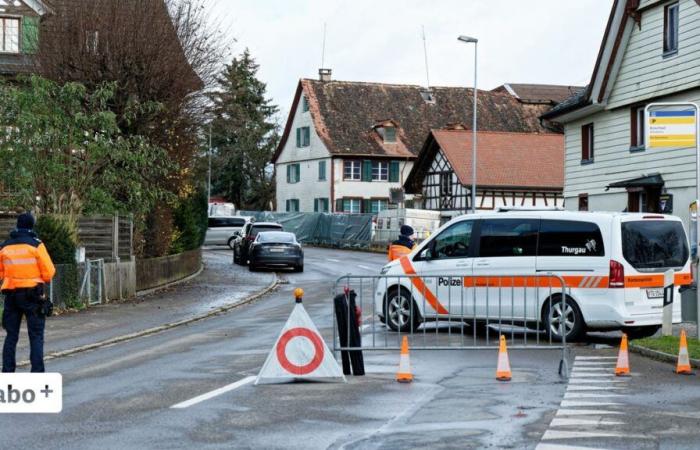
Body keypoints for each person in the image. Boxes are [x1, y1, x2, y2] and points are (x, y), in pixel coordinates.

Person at [1, 212, 56, 373]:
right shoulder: (36, 245)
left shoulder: (5, 246)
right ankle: (37, 374)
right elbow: (49, 272)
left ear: (17, 226)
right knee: (36, 335)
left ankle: (7, 373)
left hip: (11, 295)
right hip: (33, 295)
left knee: (11, 336)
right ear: (32, 226)